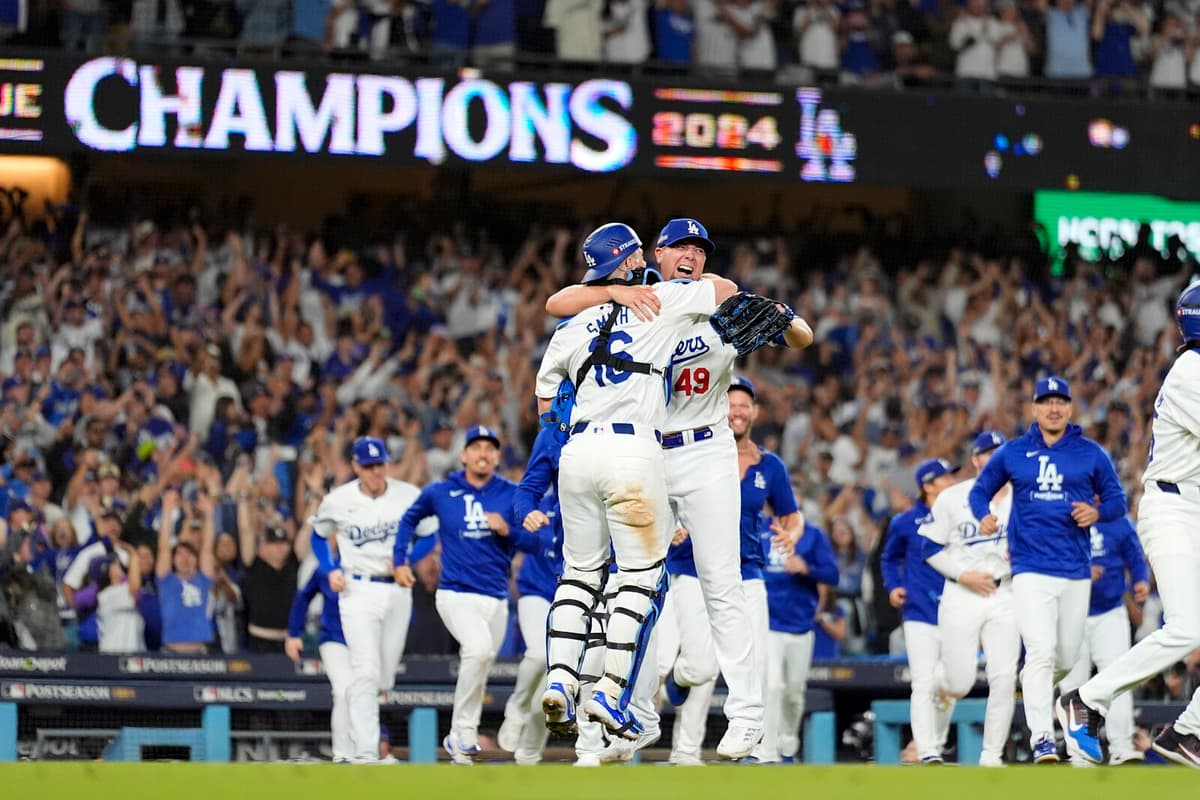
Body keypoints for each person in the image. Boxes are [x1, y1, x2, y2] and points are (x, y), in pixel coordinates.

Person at [544, 218, 812, 760]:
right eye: (680, 246)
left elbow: (799, 335)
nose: (691, 254)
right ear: (657, 253)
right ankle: (637, 715)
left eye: (699, 248)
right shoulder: (639, 299)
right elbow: (560, 302)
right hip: (646, 452)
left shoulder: (714, 301)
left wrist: (784, 319)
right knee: (635, 586)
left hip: (707, 449)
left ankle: (746, 716)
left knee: (721, 581)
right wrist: (617, 289)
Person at [533, 222, 739, 750]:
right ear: (632, 260)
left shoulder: (573, 322)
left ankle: (560, 680)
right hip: (634, 449)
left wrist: (608, 293)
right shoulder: (663, 299)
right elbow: (724, 290)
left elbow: (546, 406)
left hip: (578, 452)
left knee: (578, 574)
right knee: (640, 577)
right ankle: (609, 692)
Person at [1060, 283, 1200, 768]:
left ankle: (1189, 732)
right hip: (1174, 509)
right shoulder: (1190, 370)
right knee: (1187, 627)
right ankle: (1086, 699)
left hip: (1193, 509)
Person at [969, 375, 1127, 764]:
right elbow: (979, 491)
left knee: (1067, 659)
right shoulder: (1013, 452)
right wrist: (983, 514)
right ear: (1034, 408)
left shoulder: (1091, 453)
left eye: (1060, 401)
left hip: (1075, 568)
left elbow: (1118, 501)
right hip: (1030, 567)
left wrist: (1097, 512)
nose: (1053, 408)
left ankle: (1037, 687)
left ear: (1070, 408)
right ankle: (1042, 737)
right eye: (1046, 401)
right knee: (1040, 651)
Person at [393, 425, 540, 765]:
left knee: (481, 663)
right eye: (476, 447)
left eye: (489, 448)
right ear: (463, 455)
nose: (482, 454)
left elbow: (534, 543)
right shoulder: (441, 491)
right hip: (455, 593)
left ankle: (462, 746)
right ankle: (462, 732)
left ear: (498, 457)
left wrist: (508, 529)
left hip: (496, 598)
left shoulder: (512, 493)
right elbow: (408, 520)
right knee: (477, 649)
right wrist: (400, 560)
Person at [309, 436, 425, 765]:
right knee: (366, 671)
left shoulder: (407, 495)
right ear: (356, 466)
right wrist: (330, 568)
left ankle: (364, 747)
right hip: (357, 590)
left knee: (384, 677)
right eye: (369, 465)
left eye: (380, 464)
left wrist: (408, 559)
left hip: (397, 589)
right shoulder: (338, 500)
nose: (376, 471)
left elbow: (429, 534)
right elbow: (318, 536)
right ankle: (365, 752)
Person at [920, 430, 1018, 767]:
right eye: (988, 453)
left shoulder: (1023, 496)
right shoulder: (953, 497)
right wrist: (964, 575)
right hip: (962, 592)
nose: (995, 458)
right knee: (959, 683)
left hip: (1005, 592)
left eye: (1001, 452)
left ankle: (991, 755)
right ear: (976, 460)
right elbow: (929, 548)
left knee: (1004, 677)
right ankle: (940, 683)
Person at [882, 457, 959, 764]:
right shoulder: (905, 521)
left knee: (950, 681)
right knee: (922, 683)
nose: (951, 481)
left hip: (954, 610)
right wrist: (893, 586)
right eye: (945, 477)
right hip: (918, 611)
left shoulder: (960, 515)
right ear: (928, 486)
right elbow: (889, 558)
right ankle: (928, 749)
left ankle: (936, 741)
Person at [1056, 514, 1150, 766]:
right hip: (1070, 610)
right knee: (1072, 682)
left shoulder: (1117, 518)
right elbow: (1049, 561)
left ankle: (1121, 746)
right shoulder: (1064, 515)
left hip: (1110, 610)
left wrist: (1141, 580)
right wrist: (1080, 573)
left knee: (1117, 677)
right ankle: (1078, 752)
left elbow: (1136, 557)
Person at [500, 426, 568, 765]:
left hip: (571, 597)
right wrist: (519, 524)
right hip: (536, 590)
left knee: (554, 683)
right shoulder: (541, 502)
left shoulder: (593, 509)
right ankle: (514, 709)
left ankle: (529, 753)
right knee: (539, 656)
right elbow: (519, 537)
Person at [285, 569, 351, 763]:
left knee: (367, 693)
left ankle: (365, 753)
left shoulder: (374, 567)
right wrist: (294, 633)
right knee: (344, 691)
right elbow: (304, 595)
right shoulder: (328, 568)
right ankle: (343, 756)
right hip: (334, 639)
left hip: (368, 642)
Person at [155, 490, 218, 653]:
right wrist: (167, 512)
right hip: (170, 653)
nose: (185, 559)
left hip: (201, 654)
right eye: (180, 554)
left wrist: (209, 514)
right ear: (173, 560)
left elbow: (207, 548)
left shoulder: (204, 579)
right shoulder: (166, 581)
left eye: (189, 554)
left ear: (196, 559)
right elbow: (163, 549)